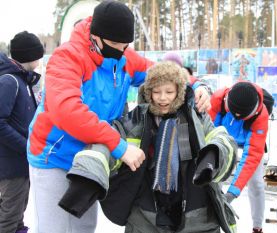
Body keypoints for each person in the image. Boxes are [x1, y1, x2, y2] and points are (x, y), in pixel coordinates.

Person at [26, 1, 211, 232]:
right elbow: (67, 111)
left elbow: (162, 74)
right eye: (115, 44)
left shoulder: (124, 57)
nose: (121, 50)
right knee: (55, 228)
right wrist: (119, 146)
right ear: (96, 36)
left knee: (83, 226)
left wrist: (198, 85)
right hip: (53, 155)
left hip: (90, 155)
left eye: (126, 45)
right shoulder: (67, 58)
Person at [96, 61, 237, 232]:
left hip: (195, 211)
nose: (163, 98)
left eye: (169, 92)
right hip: (146, 214)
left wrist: (213, 155)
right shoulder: (135, 120)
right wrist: (91, 171)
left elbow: (223, 140)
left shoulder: (197, 118)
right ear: (149, 93)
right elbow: (109, 141)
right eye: (156, 92)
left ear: (179, 92)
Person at [208, 81, 269, 233]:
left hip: (248, 142)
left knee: (256, 183)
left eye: (241, 117)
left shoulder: (261, 116)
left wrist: (232, 193)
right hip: (222, 138)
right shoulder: (217, 99)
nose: (236, 117)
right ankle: (211, 221)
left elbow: (251, 157)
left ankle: (257, 226)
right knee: (214, 178)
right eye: (233, 112)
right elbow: (206, 134)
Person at [0, 31, 44, 233]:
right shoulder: (10, 81)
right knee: (9, 219)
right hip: (11, 165)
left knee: (16, 216)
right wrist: (27, 145)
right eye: (38, 53)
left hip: (20, 162)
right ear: (29, 55)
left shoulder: (23, 80)